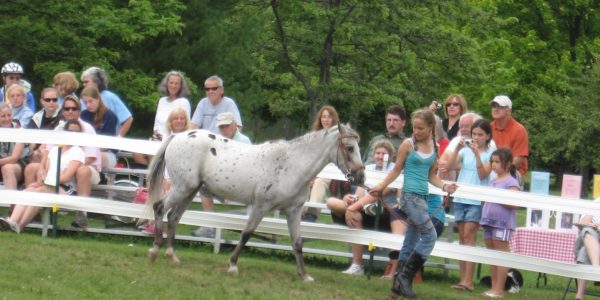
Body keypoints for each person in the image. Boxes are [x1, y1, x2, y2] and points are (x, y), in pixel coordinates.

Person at [369, 108, 458, 299]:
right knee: (430, 236)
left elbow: (431, 176)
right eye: (414, 128)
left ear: (431, 128)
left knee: (409, 243)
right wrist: (381, 185)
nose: (415, 132)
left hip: (423, 199)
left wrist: (445, 187)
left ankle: (395, 289)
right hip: (409, 198)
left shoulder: (435, 148)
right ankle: (406, 277)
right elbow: (395, 171)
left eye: (420, 128)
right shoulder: (407, 145)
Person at [327, 140, 405, 277]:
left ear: (390, 156)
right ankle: (357, 265)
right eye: (377, 153)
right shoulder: (368, 169)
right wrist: (350, 199)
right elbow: (359, 194)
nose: (380, 156)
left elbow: (379, 193)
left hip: (386, 213)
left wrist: (354, 207)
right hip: (364, 207)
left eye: (383, 154)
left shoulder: (394, 170)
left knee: (354, 211)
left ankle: (390, 269)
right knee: (332, 202)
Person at [0, 120, 85, 233]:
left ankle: (19, 226)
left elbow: (67, 177)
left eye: (76, 132)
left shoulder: (78, 152)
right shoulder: (55, 150)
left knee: (38, 191)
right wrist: (42, 181)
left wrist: (46, 182)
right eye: (69, 131)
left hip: (66, 189)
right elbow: (47, 171)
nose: (72, 134)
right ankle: (13, 221)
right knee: (30, 190)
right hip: (49, 185)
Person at [189, 75, 243, 238]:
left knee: (204, 183)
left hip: (224, 149)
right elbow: (193, 126)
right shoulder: (202, 104)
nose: (210, 91)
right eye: (207, 89)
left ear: (221, 90)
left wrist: (223, 136)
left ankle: (210, 219)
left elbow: (238, 126)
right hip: (205, 148)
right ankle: (208, 224)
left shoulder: (229, 104)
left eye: (214, 88)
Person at [447, 118, 494, 292]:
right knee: (461, 238)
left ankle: (468, 281)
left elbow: (483, 175)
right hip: (460, 198)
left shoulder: (490, 154)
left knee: (469, 237)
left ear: (488, 136)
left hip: (476, 200)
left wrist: (476, 155)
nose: (476, 137)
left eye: (480, 134)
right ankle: (463, 279)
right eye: (474, 134)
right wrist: (457, 149)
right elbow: (450, 166)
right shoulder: (465, 151)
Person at [190, 111, 252, 238]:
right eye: (221, 126)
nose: (224, 129)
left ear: (235, 125)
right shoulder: (217, 141)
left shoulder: (244, 141)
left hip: (241, 185)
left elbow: (248, 168)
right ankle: (208, 225)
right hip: (222, 183)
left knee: (204, 187)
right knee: (203, 187)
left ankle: (209, 226)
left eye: (226, 126)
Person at [140, 108, 192, 235]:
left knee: (167, 184)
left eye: (182, 118)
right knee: (156, 182)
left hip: (181, 175)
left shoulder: (190, 139)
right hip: (165, 172)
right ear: (171, 122)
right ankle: (152, 222)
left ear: (186, 121)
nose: (179, 121)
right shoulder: (163, 138)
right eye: (176, 118)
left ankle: (155, 224)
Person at [480, 148, 520, 298]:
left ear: (508, 164)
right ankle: (493, 287)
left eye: (497, 162)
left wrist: (500, 199)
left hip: (502, 224)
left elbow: (515, 203)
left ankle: (499, 290)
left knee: (500, 256)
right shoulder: (492, 182)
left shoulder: (511, 182)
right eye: (492, 162)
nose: (494, 165)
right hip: (488, 222)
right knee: (492, 257)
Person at [132, 71, 192, 167]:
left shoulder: (184, 102)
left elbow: (186, 126)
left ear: (180, 86)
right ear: (167, 84)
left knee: (153, 154)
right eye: (171, 82)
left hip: (173, 140)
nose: (173, 86)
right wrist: (155, 135)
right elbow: (156, 125)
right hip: (158, 138)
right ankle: (150, 176)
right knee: (136, 152)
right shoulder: (162, 101)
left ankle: (153, 179)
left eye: (177, 83)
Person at [303, 105, 339, 222]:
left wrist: (316, 176)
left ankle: (311, 215)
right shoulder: (314, 137)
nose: (326, 119)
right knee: (304, 181)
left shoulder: (338, 137)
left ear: (334, 119)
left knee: (319, 181)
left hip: (332, 172)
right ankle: (300, 212)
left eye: (329, 117)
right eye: (323, 117)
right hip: (314, 170)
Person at [81, 66, 133, 137]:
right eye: (83, 82)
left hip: (108, 142)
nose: (84, 84)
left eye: (86, 82)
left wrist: (118, 138)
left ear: (96, 82)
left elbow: (128, 119)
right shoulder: (83, 99)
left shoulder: (110, 97)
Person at [490, 95, 529, 184]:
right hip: (491, 169)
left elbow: (517, 161)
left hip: (512, 172)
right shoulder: (489, 128)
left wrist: (497, 172)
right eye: (493, 106)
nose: (495, 109)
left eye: (500, 107)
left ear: (509, 110)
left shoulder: (519, 130)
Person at [80, 86, 119, 170]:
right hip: (87, 152)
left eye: (90, 101)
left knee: (91, 159)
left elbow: (108, 143)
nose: (88, 105)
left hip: (106, 153)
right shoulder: (83, 115)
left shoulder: (109, 116)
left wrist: (91, 151)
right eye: (85, 102)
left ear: (98, 99)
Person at [574, 203, 600, 300]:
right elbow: (582, 223)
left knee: (584, 252)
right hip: (592, 239)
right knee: (587, 231)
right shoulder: (597, 202)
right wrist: (593, 224)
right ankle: (597, 270)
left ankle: (579, 296)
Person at [0, 104, 28, 193]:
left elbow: (14, 158)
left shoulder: (19, 130)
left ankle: (13, 206)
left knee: (7, 168)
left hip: (19, 164)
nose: (7, 119)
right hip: (2, 162)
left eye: (9, 115)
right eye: (3, 116)